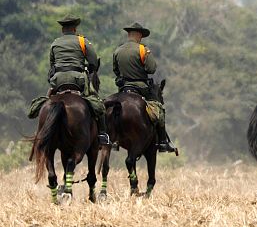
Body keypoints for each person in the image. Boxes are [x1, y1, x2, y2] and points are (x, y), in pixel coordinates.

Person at [113, 22, 176, 153]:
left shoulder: (118, 50)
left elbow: (116, 70)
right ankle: (163, 142)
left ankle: (111, 138)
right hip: (140, 87)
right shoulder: (143, 50)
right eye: (141, 36)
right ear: (138, 35)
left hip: (124, 88)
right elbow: (151, 69)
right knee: (158, 109)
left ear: (129, 35)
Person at [47, 14, 109, 146]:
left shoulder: (55, 43)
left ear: (62, 29)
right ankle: (102, 134)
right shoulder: (82, 41)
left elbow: (52, 65)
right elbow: (93, 62)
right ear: (75, 29)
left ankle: (41, 131)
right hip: (77, 80)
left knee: (47, 101)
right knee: (98, 104)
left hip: (58, 81)